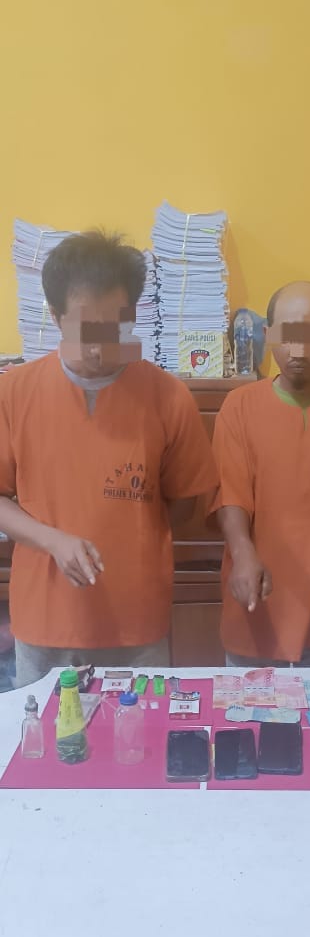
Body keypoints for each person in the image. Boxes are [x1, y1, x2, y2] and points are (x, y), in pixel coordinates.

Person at [0, 230, 217, 686]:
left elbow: (184, 505)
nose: (100, 347)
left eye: (114, 328)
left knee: (143, 726)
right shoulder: (13, 392)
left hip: (135, 624)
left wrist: (127, 533)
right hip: (45, 621)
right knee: (46, 728)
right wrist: (52, 540)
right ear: (56, 316)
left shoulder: (168, 397)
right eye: (86, 330)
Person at [210, 280, 310, 667]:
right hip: (255, 608)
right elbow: (230, 494)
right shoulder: (239, 406)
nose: (298, 351)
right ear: (267, 333)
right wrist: (242, 554)